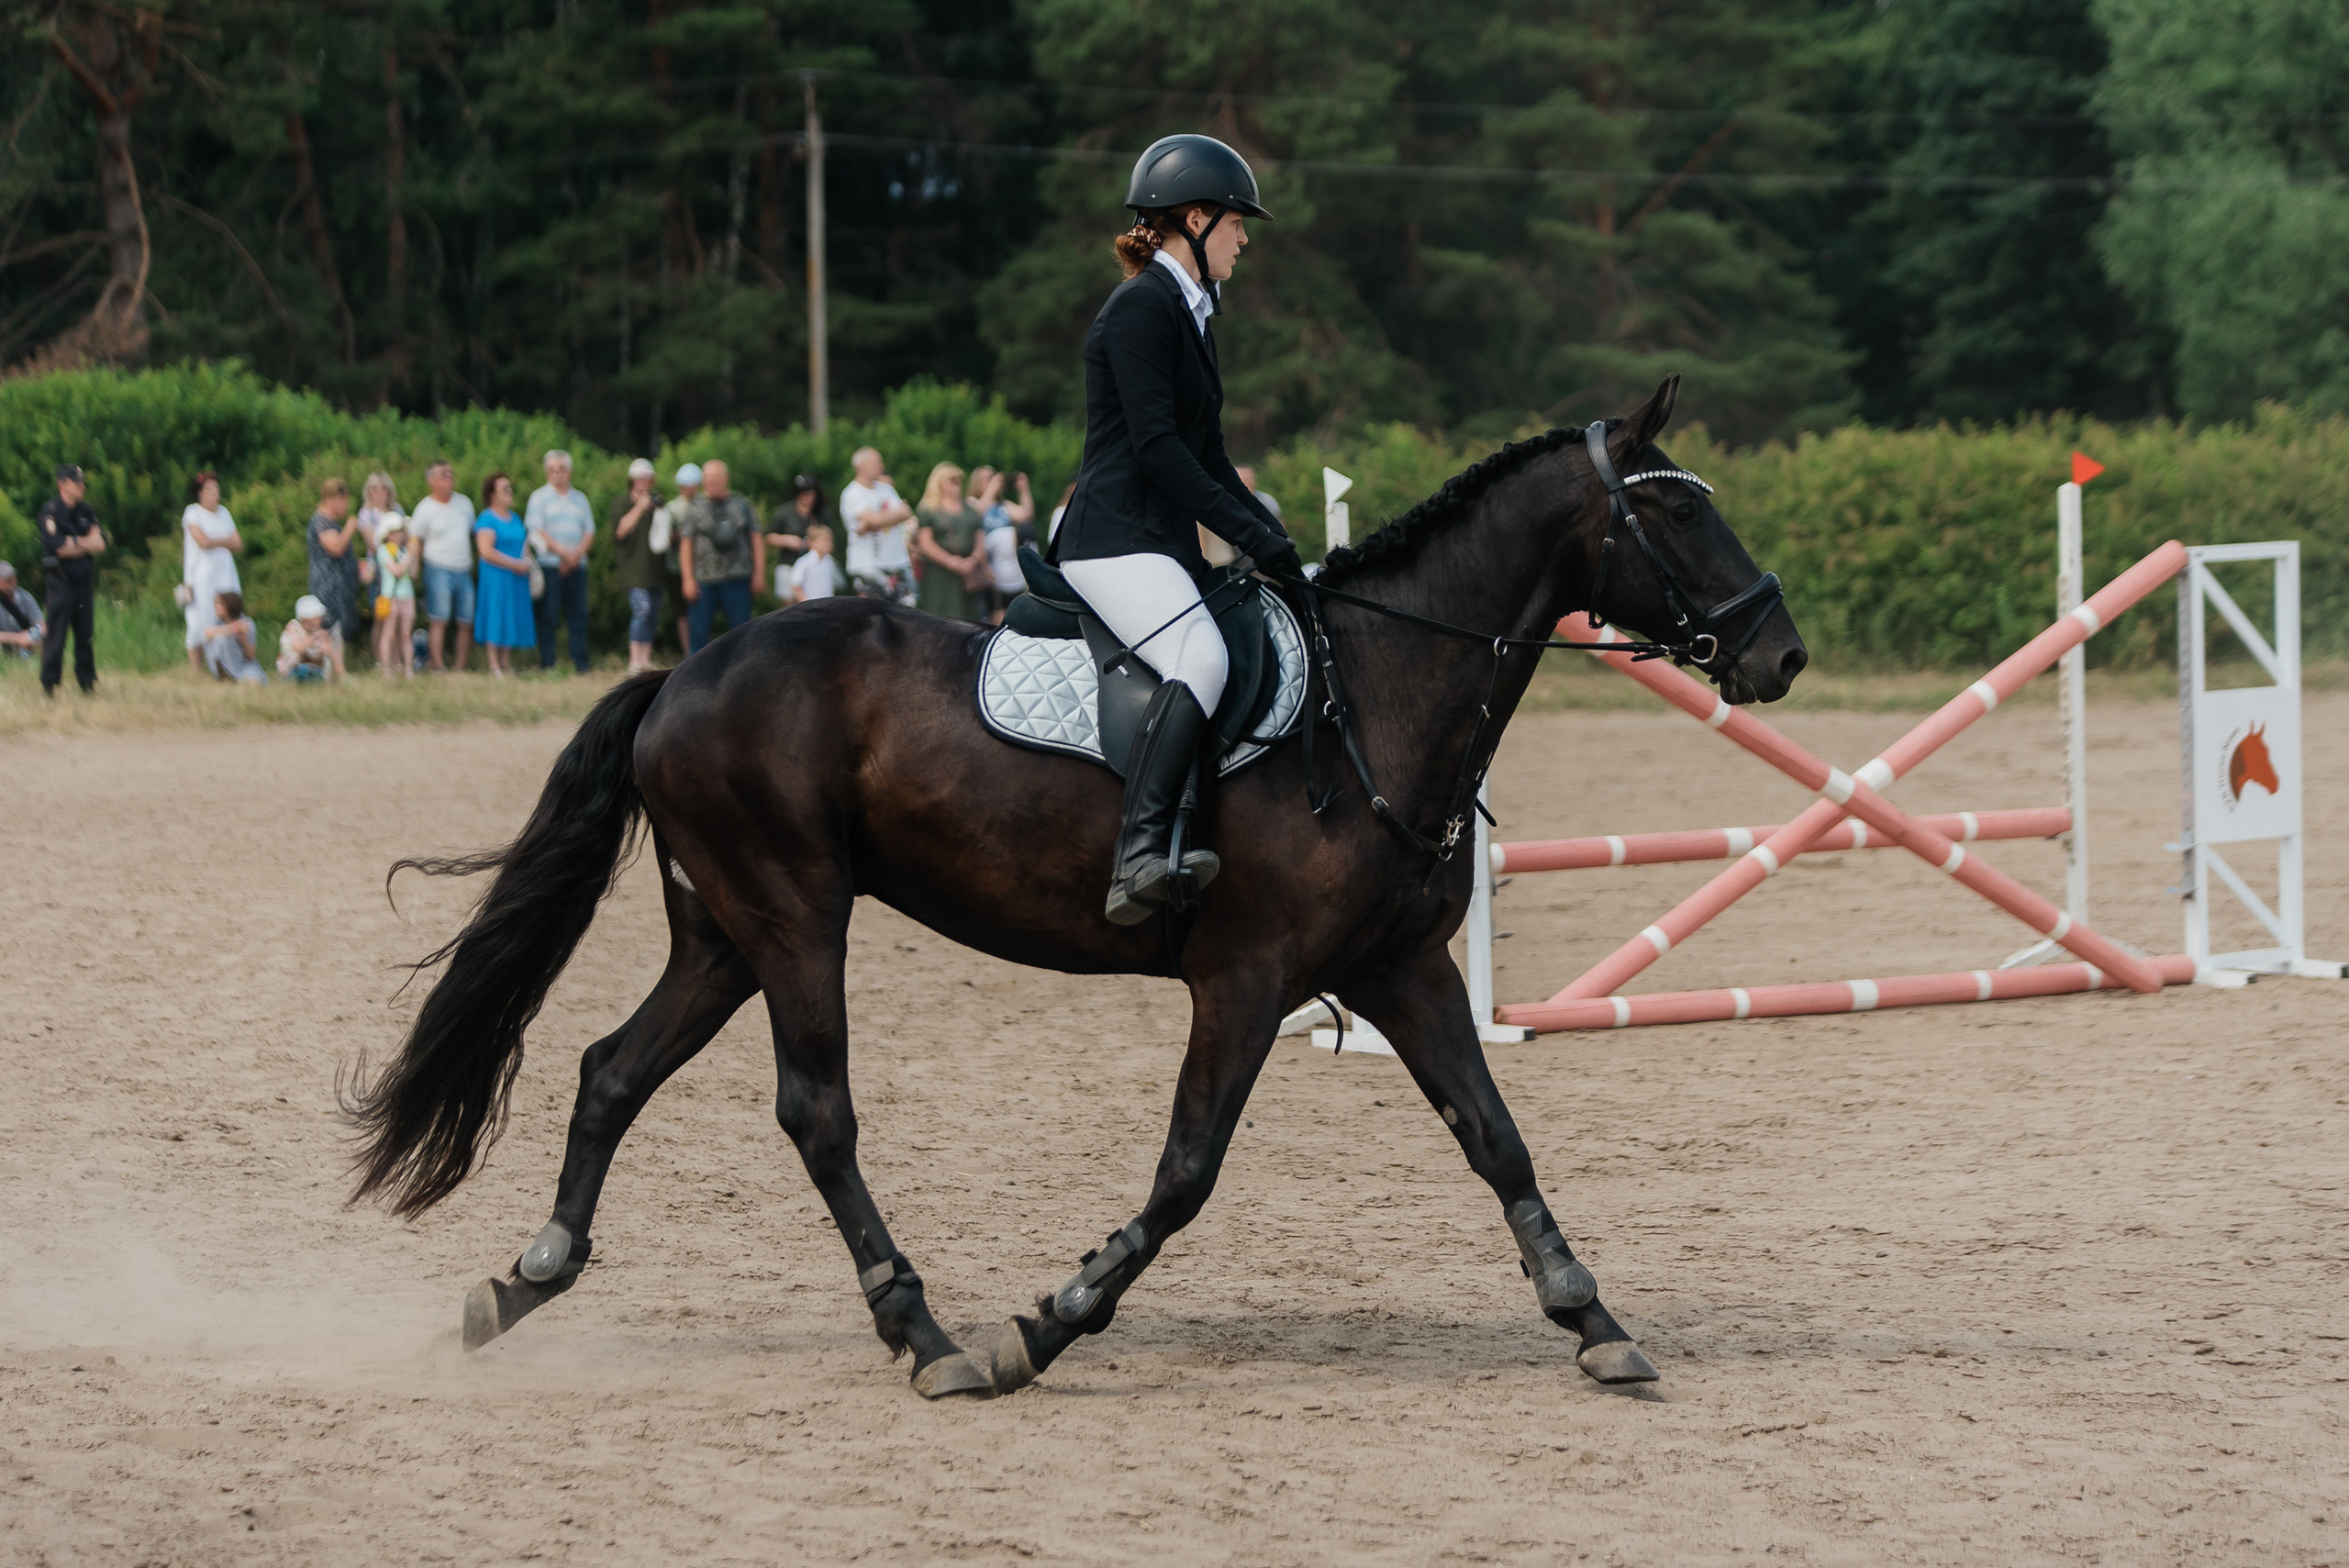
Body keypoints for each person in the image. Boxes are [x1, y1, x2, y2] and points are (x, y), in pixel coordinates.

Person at [1053, 133, 1300, 924]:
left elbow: (1211, 457)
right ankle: (1139, 851)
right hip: (1112, 540)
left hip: (1155, 542)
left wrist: (1270, 534)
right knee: (1201, 656)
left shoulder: (1192, 315)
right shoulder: (1141, 308)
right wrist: (1252, 537)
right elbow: (1159, 451)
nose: (1244, 239)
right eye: (1237, 223)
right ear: (1196, 219)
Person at [679, 458, 762, 653]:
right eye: (707, 477)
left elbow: (756, 538)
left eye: (716, 477)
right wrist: (688, 579)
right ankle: (696, 671)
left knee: (743, 633)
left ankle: (743, 669)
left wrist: (759, 573)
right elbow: (686, 544)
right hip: (703, 580)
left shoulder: (742, 504)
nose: (711, 481)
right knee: (698, 635)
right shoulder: (695, 507)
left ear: (726, 478)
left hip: (737, 578)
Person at [526, 448, 596, 674]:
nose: (557, 473)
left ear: (569, 471)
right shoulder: (539, 497)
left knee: (578, 614)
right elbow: (537, 531)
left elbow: (589, 531)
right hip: (550, 565)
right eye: (552, 470)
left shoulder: (580, 498)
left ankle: (581, 663)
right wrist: (564, 553)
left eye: (561, 469)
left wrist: (575, 556)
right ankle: (548, 662)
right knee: (548, 615)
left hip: (577, 565)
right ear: (547, 472)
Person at [38, 462, 105, 696]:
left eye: (82, 482)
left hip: (83, 582)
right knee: (56, 635)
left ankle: (87, 682)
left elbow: (100, 544)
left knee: (85, 635)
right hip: (61, 582)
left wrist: (74, 543)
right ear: (62, 484)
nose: (82, 486)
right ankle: (49, 684)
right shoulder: (51, 512)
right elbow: (59, 548)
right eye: (77, 482)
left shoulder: (86, 511)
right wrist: (85, 543)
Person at [410, 460, 477, 673]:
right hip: (437, 568)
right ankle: (437, 665)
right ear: (431, 480)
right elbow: (415, 540)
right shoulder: (425, 508)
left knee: (466, 620)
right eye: (443, 474)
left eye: (450, 473)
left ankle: (459, 667)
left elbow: (471, 534)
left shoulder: (464, 503)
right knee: (439, 618)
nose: (449, 477)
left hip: (463, 569)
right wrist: (414, 568)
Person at [472, 473, 535, 677]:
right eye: (504, 489)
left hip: (516, 576)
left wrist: (526, 561)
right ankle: (494, 665)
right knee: (495, 614)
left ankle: (506, 663)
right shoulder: (487, 519)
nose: (510, 492)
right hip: (496, 577)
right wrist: (514, 564)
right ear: (492, 494)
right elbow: (485, 551)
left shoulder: (515, 518)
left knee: (510, 614)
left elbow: (523, 544)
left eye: (510, 487)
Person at [180, 472, 244, 673]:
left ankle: (228, 665)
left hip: (225, 574)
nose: (214, 492)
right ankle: (197, 669)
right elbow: (203, 541)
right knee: (199, 620)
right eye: (209, 488)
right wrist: (225, 541)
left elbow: (238, 543)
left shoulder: (224, 513)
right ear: (200, 493)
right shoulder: (193, 513)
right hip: (201, 577)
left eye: (215, 487)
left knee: (230, 614)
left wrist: (219, 541)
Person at [913, 462, 989, 624]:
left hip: (968, 573)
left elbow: (980, 539)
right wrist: (950, 561)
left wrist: (973, 560)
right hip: (939, 573)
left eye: (959, 480)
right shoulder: (929, 510)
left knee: (969, 620)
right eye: (952, 480)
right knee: (940, 618)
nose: (957, 484)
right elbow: (925, 543)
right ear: (939, 483)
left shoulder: (971, 509)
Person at [840, 446, 916, 604]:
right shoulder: (852, 493)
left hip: (896, 562)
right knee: (872, 611)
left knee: (907, 608)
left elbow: (906, 512)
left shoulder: (886, 489)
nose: (881, 466)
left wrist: (875, 521)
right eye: (877, 462)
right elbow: (877, 519)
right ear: (862, 466)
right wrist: (890, 517)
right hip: (868, 566)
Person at [610, 458, 664, 673]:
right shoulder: (622, 503)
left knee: (652, 615)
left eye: (647, 478)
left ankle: (645, 659)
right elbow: (621, 531)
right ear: (632, 480)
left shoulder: (657, 503)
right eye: (640, 478)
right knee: (642, 610)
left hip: (655, 569)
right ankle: (634, 660)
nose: (644, 482)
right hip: (633, 571)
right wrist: (640, 507)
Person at [306, 478, 366, 649]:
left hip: (341, 589)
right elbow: (336, 548)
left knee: (339, 635)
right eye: (343, 500)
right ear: (329, 499)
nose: (346, 505)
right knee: (329, 633)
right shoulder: (321, 521)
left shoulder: (331, 523)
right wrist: (350, 527)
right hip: (328, 590)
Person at [972, 467, 1034, 625]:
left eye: (994, 476)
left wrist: (1023, 489)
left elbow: (1026, 515)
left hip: (1005, 564)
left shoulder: (1004, 505)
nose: (993, 480)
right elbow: (976, 514)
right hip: (984, 561)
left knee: (1005, 605)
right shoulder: (973, 501)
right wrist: (993, 487)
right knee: (992, 607)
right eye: (988, 478)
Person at [652, 462, 700, 655]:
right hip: (676, 568)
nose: (685, 488)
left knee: (700, 611)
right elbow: (663, 540)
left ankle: (702, 650)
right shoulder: (672, 508)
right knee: (682, 612)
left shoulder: (704, 504)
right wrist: (681, 535)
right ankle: (689, 652)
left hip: (702, 569)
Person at [372, 507, 419, 677]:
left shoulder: (403, 551)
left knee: (406, 634)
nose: (398, 535)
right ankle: (386, 668)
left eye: (400, 531)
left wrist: (414, 554)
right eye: (394, 532)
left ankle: (408, 668)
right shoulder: (384, 550)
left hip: (407, 595)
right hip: (391, 596)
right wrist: (410, 555)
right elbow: (397, 571)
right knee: (389, 633)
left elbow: (413, 573)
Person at [765, 473, 826, 599]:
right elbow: (768, 537)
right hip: (789, 564)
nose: (806, 497)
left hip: (813, 568)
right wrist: (787, 540)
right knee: (790, 605)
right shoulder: (784, 511)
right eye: (802, 493)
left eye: (809, 493)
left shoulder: (822, 513)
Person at [199, 589, 266, 682]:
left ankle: (237, 680)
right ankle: (225, 676)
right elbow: (208, 633)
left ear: (229, 605)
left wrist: (243, 639)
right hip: (221, 665)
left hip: (243, 665)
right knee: (221, 640)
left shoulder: (246, 623)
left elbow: (250, 655)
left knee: (254, 682)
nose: (215, 606)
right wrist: (234, 628)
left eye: (219, 603)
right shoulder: (215, 621)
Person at [276, 593, 346, 682]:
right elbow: (299, 647)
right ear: (308, 618)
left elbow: (323, 654)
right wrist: (315, 636)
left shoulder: (316, 631)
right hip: (291, 670)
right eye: (317, 616)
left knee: (317, 669)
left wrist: (325, 647)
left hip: (312, 672)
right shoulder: (294, 627)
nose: (321, 618)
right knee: (301, 669)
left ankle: (340, 676)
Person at [787, 523, 844, 603]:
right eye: (824, 540)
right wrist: (805, 602)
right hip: (810, 605)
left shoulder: (831, 561)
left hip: (827, 604)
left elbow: (838, 583)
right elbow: (796, 584)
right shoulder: (804, 562)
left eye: (830, 540)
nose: (828, 544)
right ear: (811, 542)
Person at [0, 561, 43, 657]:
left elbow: (41, 625)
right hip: (8, 648)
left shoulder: (25, 596)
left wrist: (30, 637)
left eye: (12, 576)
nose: (11, 580)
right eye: (6, 578)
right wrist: (18, 638)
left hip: (29, 644)